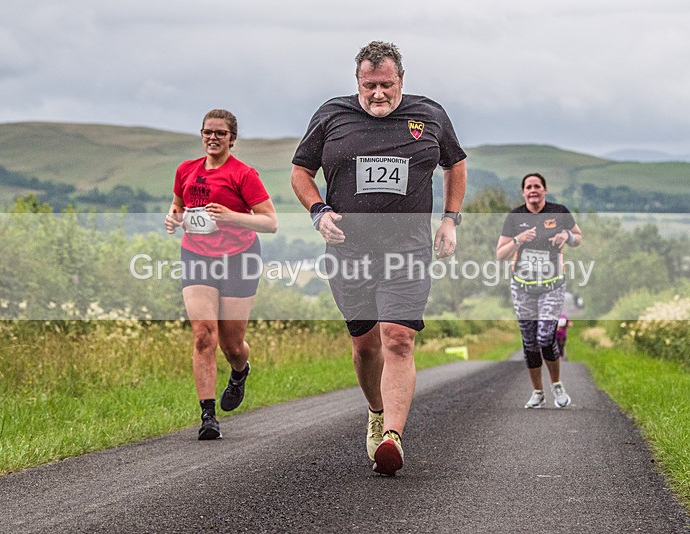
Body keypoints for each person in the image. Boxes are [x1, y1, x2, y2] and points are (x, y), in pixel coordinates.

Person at [290, 41, 467, 475]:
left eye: (386, 85)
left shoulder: (429, 115)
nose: (378, 94)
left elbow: (456, 165)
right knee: (366, 345)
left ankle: (393, 436)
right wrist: (319, 211)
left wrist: (450, 220)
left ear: (400, 81)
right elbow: (300, 172)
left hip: (407, 250)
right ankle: (375, 412)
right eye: (369, 86)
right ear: (358, 83)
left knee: (398, 339)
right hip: (349, 251)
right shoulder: (332, 115)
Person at [165, 109, 278, 440]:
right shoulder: (185, 171)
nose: (213, 138)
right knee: (203, 334)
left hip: (239, 257)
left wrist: (231, 216)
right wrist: (172, 219)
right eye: (207, 132)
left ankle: (240, 371)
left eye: (220, 133)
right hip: (197, 255)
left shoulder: (243, 174)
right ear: (201, 135)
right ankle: (208, 416)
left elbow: (270, 222)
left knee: (231, 344)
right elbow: (178, 207)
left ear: (232, 138)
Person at [495, 173, 582, 409]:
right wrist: (518, 239)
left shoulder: (559, 211)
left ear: (544, 190)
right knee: (530, 341)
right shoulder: (515, 217)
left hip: (552, 285)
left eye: (537, 186)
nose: (533, 190)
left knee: (545, 337)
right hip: (522, 287)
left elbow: (578, 238)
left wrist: (567, 235)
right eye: (529, 187)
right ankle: (538, 392)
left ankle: (556, 384)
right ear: (523, 192)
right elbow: (500, 253)